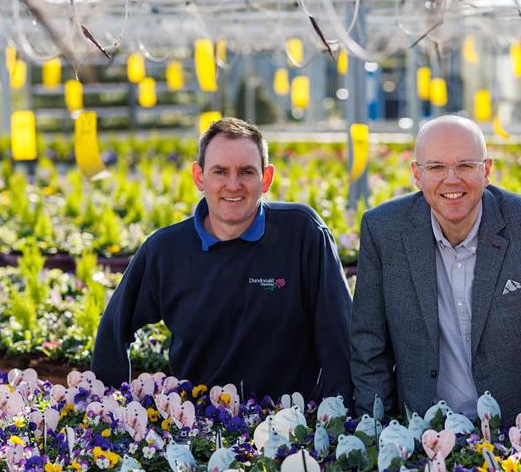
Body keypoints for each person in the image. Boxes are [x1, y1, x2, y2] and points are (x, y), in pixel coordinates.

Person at [351, 115, 521, 424]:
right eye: (436, 167)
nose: (451, 179)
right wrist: (377, 434)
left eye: (466, 165)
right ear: (417, 174)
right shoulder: (384, 231)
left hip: (519, 434)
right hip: (421, 433)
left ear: (487, 170)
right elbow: (369, 345)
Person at [92, 117, 353, 404]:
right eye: (220, 171)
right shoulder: (166, 250)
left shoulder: (302, 234)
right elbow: (114, 327)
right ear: (199, 177)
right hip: (198, 426)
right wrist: (111, 412)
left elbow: (339, 337)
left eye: (246, 172)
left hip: (290, 427)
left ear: (265, 179)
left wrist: (336, 418)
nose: (233, 185)